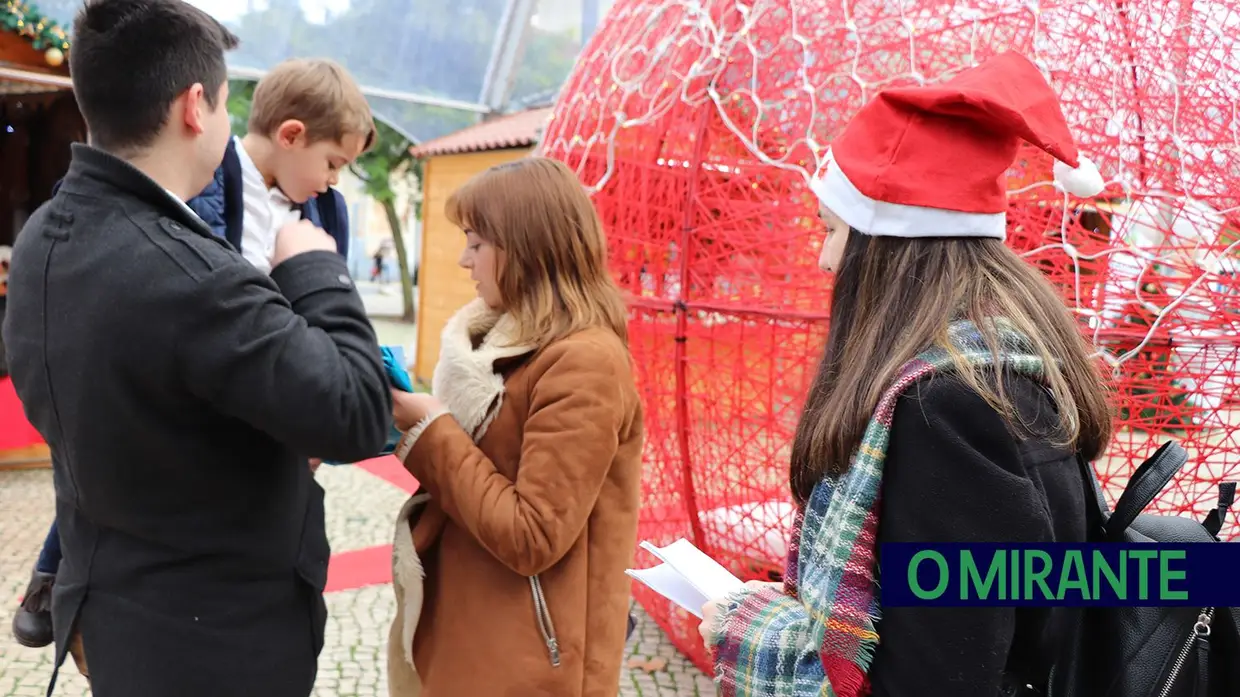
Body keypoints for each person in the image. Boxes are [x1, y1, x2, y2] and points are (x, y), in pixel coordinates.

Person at [0, 1, 392, 695]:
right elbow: (357, 411)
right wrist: (315, 270)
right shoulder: (194, 278)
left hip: (115, 608)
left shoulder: (41, 239)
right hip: (216, 642)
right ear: (194, 108)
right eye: (222, 101)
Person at [701, 51, 1114, 697]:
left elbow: (933, 678)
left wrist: (755, 626)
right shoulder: (1002, 372)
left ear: (886, 248)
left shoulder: (945, 411)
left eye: (831, 229)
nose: (822, 256)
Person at [385, 157, 643, 696]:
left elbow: (533, 535)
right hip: (478, 633)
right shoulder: (506, 347)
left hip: (535, 663)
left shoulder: (584, 362)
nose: (463, 259)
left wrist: (432, 430)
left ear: (526, 247)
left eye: (476, 243)